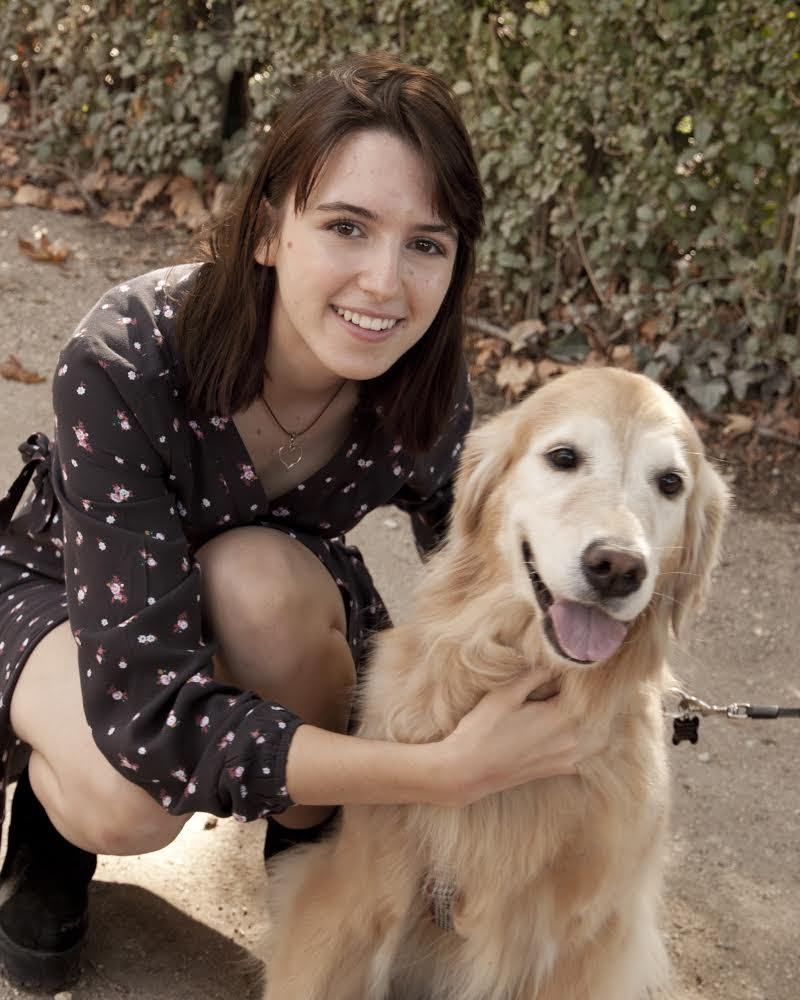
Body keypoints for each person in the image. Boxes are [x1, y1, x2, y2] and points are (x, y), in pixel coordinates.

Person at [0, 54, 603, 991]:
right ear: (270, 227)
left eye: (426, 245)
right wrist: (442, 772)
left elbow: (492, 583)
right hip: (75, 594)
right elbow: (156, 722)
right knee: (125, 798)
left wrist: (594, 623)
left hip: (265, 587)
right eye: (347, 228)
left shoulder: (429, 400)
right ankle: (49, 815)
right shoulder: (123, 359)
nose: (385, 284)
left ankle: (310, 845)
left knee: (256, 578)